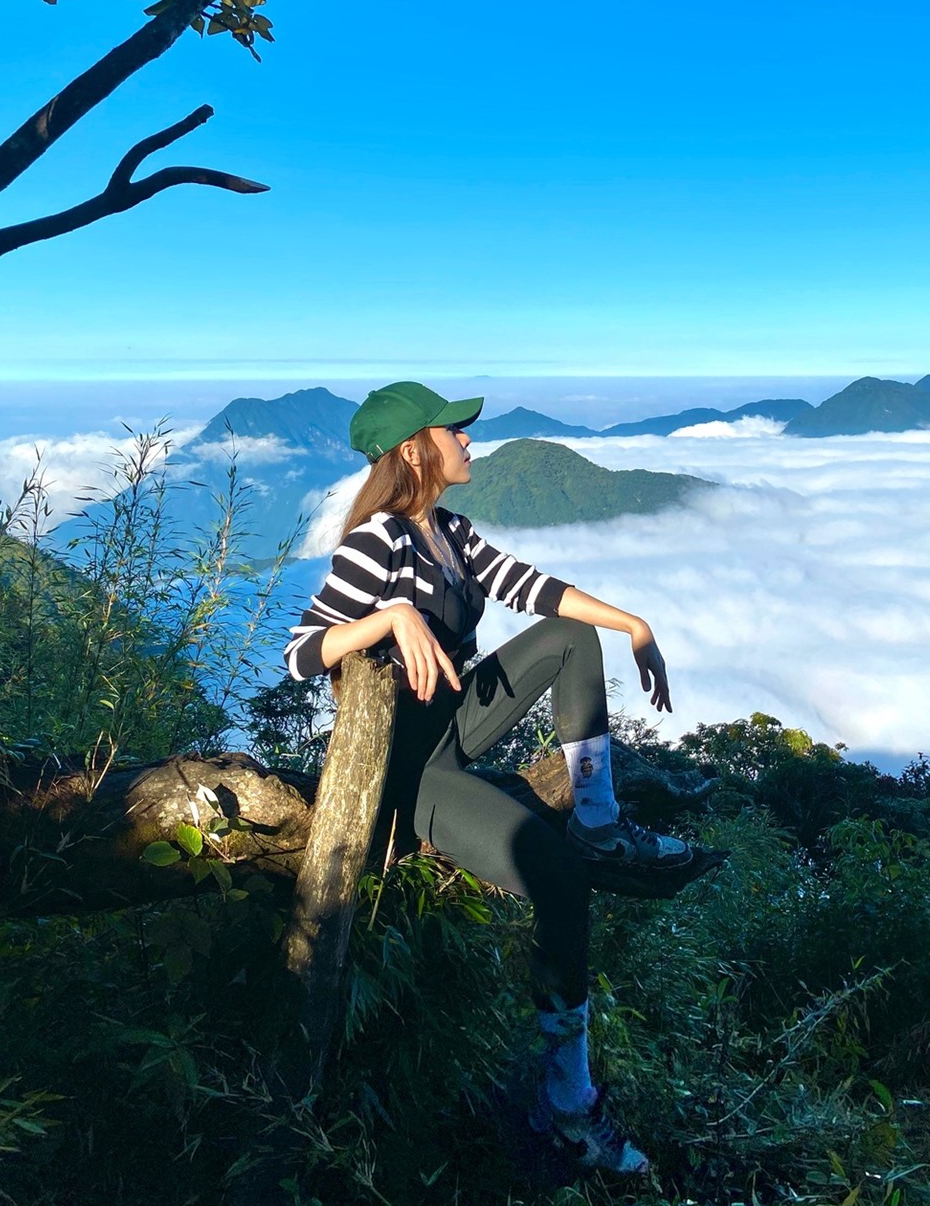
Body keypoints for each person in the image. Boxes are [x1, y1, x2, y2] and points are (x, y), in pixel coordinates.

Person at [283, 381, 695, 1177]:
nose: (468, 441)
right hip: (411, 774)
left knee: (571, 637)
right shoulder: (377, 542)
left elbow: (530, 588)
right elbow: (301, 651)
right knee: (558, 882)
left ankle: (600, 822)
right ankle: (569, 1107)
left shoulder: (449, 532)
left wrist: (635, 625)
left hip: (456, 726)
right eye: (454, 431)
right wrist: (388, 618)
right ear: (414, 450)